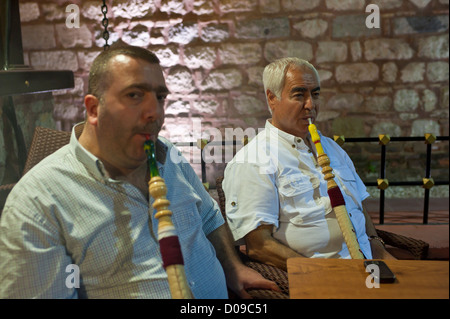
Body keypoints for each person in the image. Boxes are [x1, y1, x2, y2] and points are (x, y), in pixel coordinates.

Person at [0, 44, 279, 299]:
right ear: (94, 109)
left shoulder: (169, 155)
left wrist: (233, 269)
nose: (154, 112)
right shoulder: (37, 203)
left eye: (159, 97)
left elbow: (208, 217)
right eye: (134, 95)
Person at [222, 57, 395, 271]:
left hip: (369, 269)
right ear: (272, 98)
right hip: (320, 277)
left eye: (315, 94)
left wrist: (379, 250)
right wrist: (318, 274)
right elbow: (259, 246)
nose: (311, 105)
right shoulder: (254, 160)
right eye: (299, 95)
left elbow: (356, 206)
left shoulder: (331, 148)